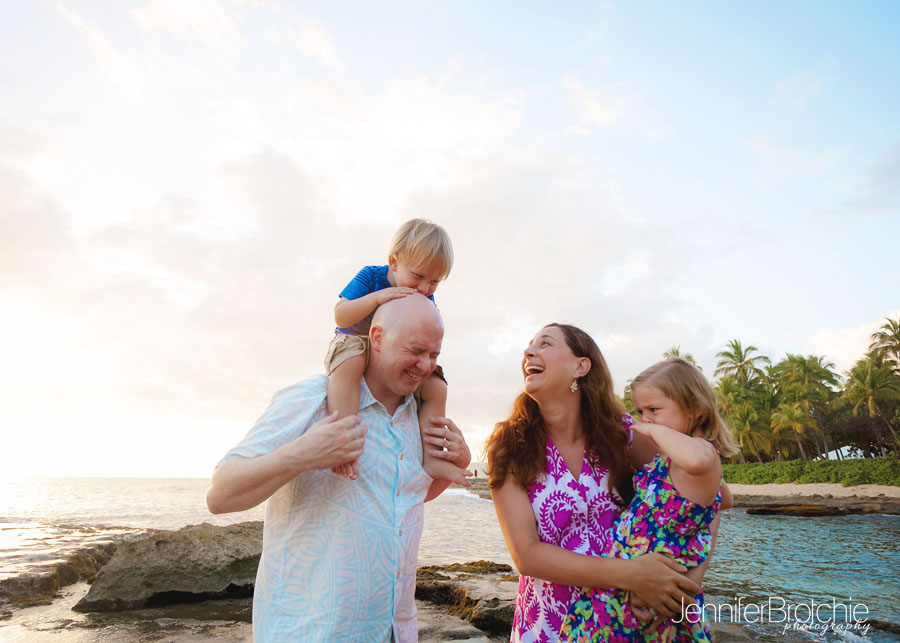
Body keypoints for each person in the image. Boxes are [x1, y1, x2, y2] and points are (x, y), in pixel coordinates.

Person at [206, 295, 472, 642]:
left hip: (395, 632)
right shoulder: (313, 399)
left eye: (434, 355)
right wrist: (300, 455)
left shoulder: (417, 418)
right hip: (311, 633)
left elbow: (404, 502)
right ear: (376, 338)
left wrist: (457, 463)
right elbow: (220, 495)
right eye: (416, 350)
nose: (425, 366)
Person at [485, 324, 723, 643]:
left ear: (581, 367)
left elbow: (711, 498)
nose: (529, 352)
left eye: (545, 344)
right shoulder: (510, 444)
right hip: (548, 627)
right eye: (529, 346)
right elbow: (526, 555)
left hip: (631, 620)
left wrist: (682, 586)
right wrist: (635, 575)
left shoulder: (625, 434)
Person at [560, 357, 740, 642]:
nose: (645, 421)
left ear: (695, 409)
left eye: (654, 410)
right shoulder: (667, 461)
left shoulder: (702, 453)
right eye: (641, 412)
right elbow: (723, 501)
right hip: (626, 584)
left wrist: (654, 430)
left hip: (654, 594)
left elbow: (697, 463)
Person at [326, 218, 469, 487]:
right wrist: (379, 297)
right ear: (394, 262)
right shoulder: (371, 276)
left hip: (394, 358)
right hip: (355, 342)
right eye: (418, 276)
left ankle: (433, 456)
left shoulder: (424, 295)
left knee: (437, 387)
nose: (425, 289)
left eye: (434, 282)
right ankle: (342, 439)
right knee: (351, 363)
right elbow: (340, 315)